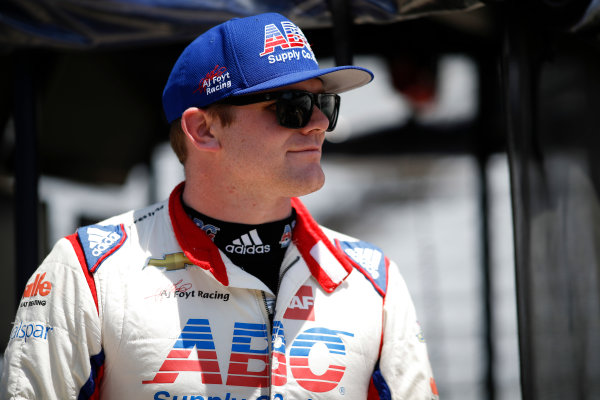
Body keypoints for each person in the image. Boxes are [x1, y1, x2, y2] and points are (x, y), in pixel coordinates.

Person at [1, 12, 438, 400]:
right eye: (293, 107)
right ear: (203, 129)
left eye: (325, 103)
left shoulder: (373, 280)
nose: (321, 123)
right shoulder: (89, 271)